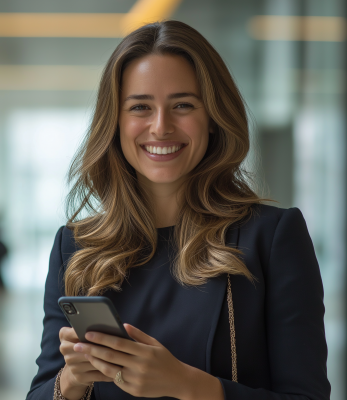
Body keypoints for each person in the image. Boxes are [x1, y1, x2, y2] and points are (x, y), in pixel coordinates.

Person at [26, 20, 330, 400]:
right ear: (116, 124)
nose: (160, 126)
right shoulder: (74, 247)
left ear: (213, 118)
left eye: (183, 105)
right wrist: (72, 380)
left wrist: (189, 386)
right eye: (140, 107)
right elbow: (42, 391)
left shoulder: (271, 238)